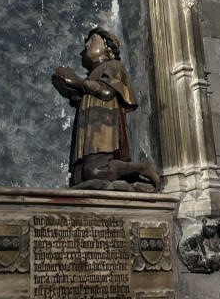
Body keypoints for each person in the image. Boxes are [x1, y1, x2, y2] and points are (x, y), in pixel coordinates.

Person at [52, 26, 160, 191]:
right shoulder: (92, 75)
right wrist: (67, 84)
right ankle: (130, 183)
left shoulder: (113, 65)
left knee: (94, 170)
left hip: (104, 127)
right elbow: (81, 98)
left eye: (92, 40)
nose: (87, 45)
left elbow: (107, 91)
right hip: (88, 131)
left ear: (107, 47)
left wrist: (78, 82)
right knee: (79, 176)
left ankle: (141, 167)